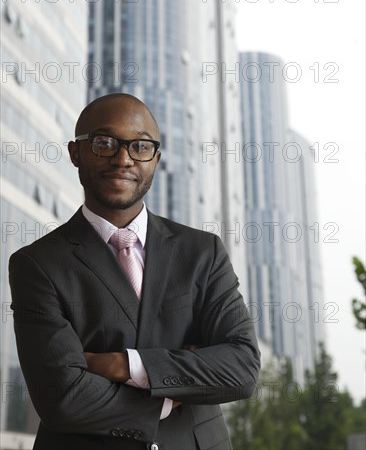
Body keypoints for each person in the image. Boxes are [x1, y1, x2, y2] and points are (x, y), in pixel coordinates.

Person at [9, 93, 260, 450]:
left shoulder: (203, 252)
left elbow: (242, 368)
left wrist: (127, 365)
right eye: (105, 143)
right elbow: (62, 397)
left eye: (140, 146)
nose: (123, 158)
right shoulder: (37, 264)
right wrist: (171, 392)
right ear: (75, 153)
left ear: (155, 160)